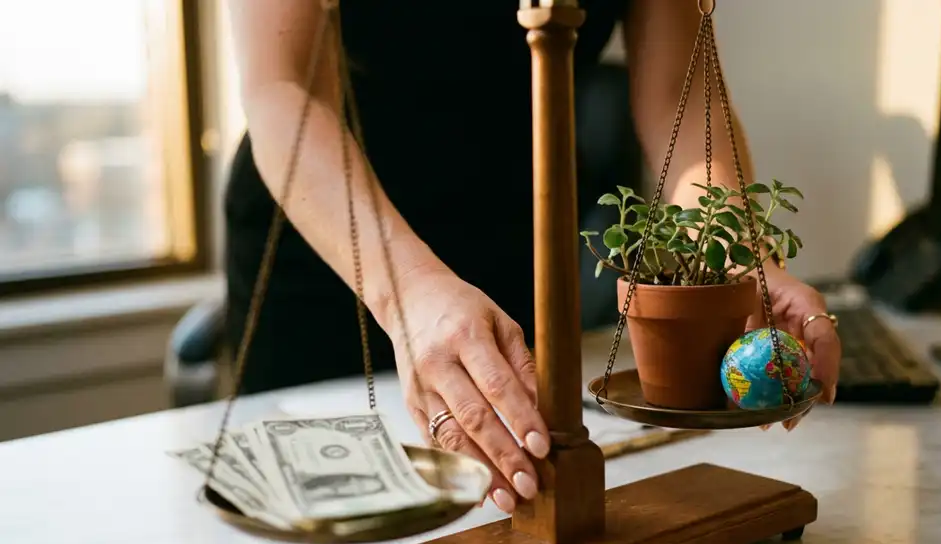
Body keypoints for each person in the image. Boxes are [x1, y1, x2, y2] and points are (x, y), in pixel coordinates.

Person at [223, 0, 841, 514]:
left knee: (505, 509)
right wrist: (407, 291)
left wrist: (737, 254)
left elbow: (682, 88)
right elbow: (282, 84)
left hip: (517, 234)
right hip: (338, 241)